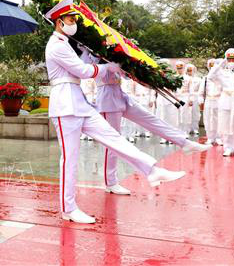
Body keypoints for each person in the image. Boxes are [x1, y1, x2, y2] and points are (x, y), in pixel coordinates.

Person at [45, 0, 185, 224]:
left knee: (114, 138)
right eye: (71, 19)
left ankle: (151, 170)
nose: (74, 23)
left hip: (79, 102)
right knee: (70, 158)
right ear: (59, 21)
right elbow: (81, 71)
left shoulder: (66, 44)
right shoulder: (56, 45)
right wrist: (107, 67)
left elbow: (81, 66)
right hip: (64, 105)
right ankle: (68, 208)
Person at [81, 47, 209, 196]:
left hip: (121, 95)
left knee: (151, 119)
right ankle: (111, 182)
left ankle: (184, 143)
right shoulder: (88, 55)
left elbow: (127, 76)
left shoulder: (110, 53)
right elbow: (88, 71)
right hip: (107, 98)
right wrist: (102, 60)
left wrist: (128, 65)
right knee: (113, 143)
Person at [208, 49, 234, 157]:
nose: (231, 61)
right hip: (225, 100)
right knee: (225, 125)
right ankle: (228, 147)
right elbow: (210, 77)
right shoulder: (221, 72)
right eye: (229, 59)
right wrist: (219, 65)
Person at [199, 58, 222, 145]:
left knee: (219, 119)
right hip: (209, 100)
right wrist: (200, 99)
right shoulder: (205, 79)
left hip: (219, 100)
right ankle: (210, 137)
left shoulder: (221, 78)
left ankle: (219, 138)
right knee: (208, 119)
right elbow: (201, 91)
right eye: (211, 65)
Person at [185, 63, 202, 135]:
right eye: (188, 70)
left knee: (195, 113)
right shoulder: (183, 78)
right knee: (186, 113)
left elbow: (200, 89)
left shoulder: (198, 79)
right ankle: (187, 129)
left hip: (195, 97)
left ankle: (195, 128)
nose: (189, 71)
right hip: (185, 97)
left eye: (191, 70)